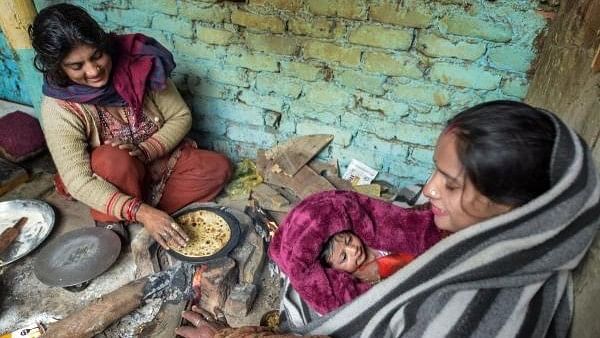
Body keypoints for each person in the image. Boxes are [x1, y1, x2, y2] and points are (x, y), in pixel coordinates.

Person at [176, 100, 600, 337]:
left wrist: (236, 336)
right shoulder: (490, 243)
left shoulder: (466, 315)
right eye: (436, 172)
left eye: (450, 184)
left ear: (510, 206)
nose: (429, 190)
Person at [29, 4, 232, 249]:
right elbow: (78, 179)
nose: (94, 71)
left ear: (103, 45)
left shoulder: (138, 63)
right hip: (114, 176)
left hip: (157, 165)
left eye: (97, 56)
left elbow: (180, 116)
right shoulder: (59, 106)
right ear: (59, 68)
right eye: (77, 66)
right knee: (113, 158)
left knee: (217, 168)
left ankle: (136, 215)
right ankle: (122, 217)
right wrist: (142, 212)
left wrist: (148, 149)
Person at [319, 230, 417, 285]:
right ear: (336, 271)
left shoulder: (373, 236)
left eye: (349, 240)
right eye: (344, 257)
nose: (354, 250)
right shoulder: (363, 280)